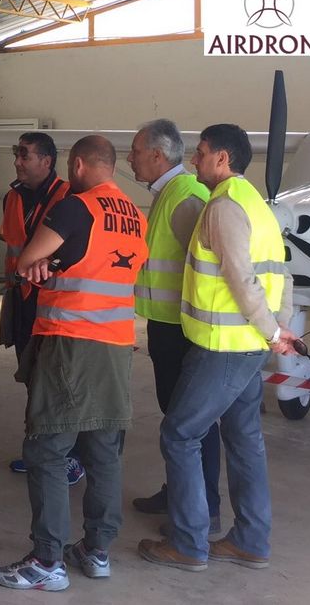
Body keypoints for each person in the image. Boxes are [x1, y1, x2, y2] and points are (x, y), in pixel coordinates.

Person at [0, 135, 147, 592]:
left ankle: (47, 560)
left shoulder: (76, 207)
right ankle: (96, 551)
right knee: (103, 451)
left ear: (77, 165)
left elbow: (27, 260)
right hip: (116, 344)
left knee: (47, 449)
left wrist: (42, 264)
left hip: (70, 342)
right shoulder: (135, 216)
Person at [139, 124, 296, 572]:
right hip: (247, 346)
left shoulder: (224, 207)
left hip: (223, 346)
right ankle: (250, 540)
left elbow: (241, 279)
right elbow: (281, 272)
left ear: (223, 159)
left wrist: (273, 333)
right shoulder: (256, 205)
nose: (195, 161)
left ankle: (189, 544)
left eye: (202, 153)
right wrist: (277, 328)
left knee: (180, 433)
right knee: (244, 439)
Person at [127, 120, 214, 531]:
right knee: (176, 418)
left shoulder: (186, 198)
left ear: (157, 155)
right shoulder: (168, 194)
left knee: (191, 424)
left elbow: (212, 267)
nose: (130, 159)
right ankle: (179, 492)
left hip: (183, 329)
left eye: (135, 152)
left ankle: (205, 508)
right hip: (165, 324)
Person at [0, 133, 83, 485]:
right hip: (23, 300)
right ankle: (39, 450)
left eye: (25, 155)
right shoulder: (13, 197)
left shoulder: (70, 198)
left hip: (57, 303)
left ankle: (71, 457)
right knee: (32, 377)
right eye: (17, 154)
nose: (17, 161)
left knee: (60, 383)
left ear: (47, 161)